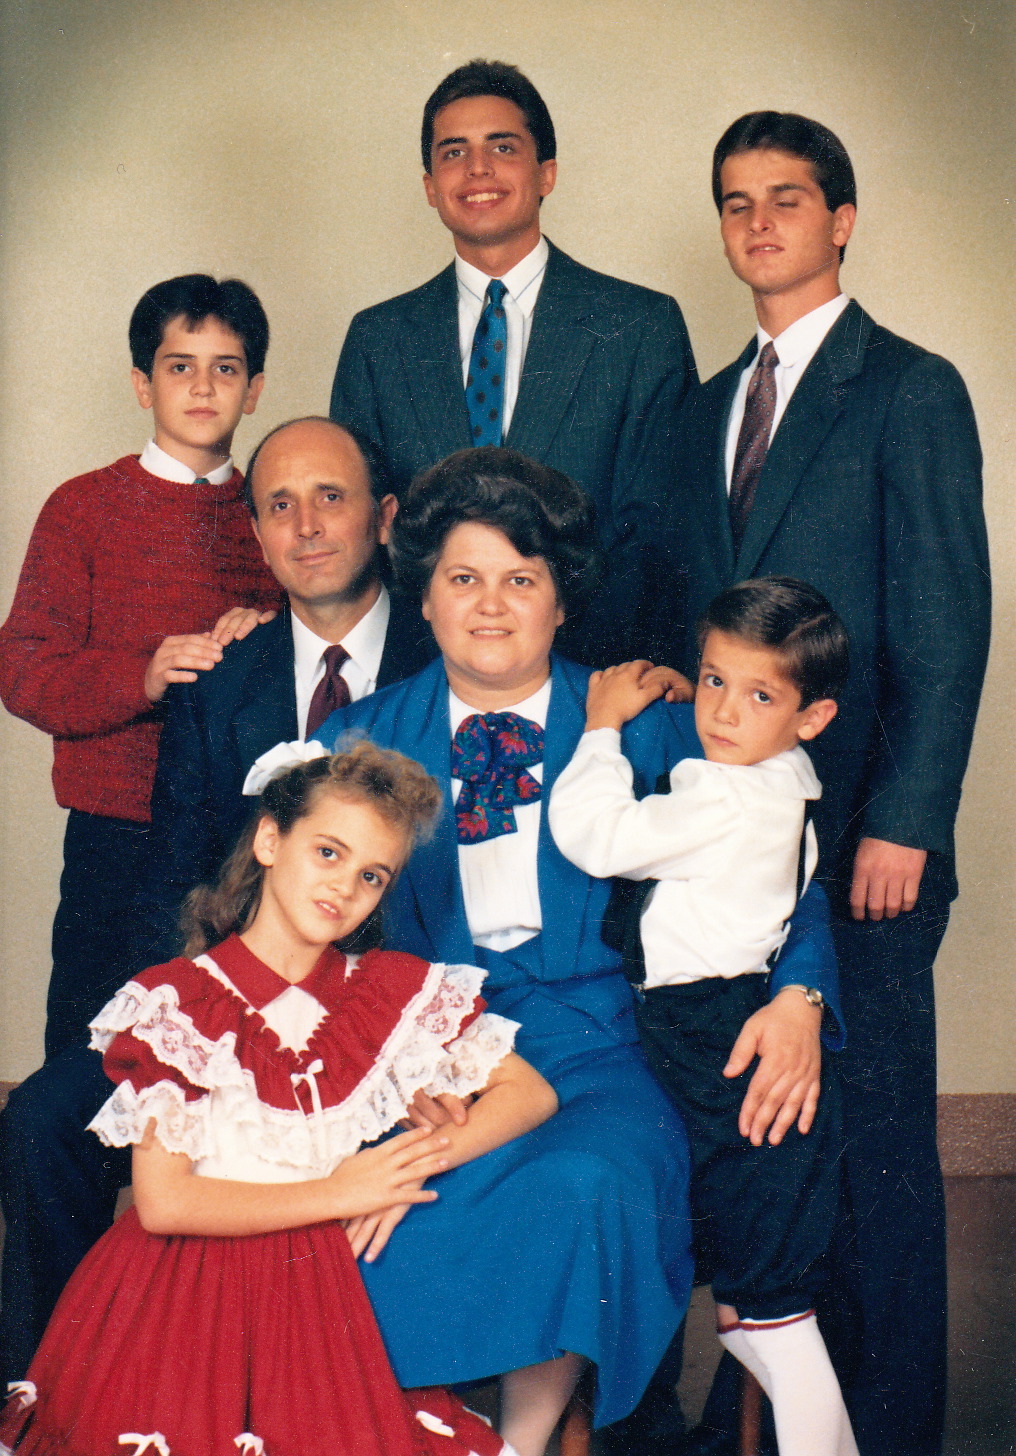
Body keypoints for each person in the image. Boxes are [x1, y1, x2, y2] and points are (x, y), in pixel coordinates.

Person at [269, 447, 841, 1455]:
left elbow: (781, 870)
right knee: (372, 1212)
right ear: (425, 600)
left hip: (608, 1047)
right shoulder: (358, 740)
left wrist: (799, 997)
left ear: (562, 602)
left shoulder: (651, 723)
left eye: (520, 580)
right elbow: (302, 938)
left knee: (588, 1184)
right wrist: (395, 1066)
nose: (490, 606)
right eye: (463, 578)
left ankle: (521, 1441)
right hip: (423, 1052)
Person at [669, 113, 991, 1456]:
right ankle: (766, 1420)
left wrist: (906, 819)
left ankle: (893, 1430)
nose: (758, 223)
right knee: (768, 1142)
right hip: (734, 857)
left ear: (840, 220)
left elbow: (946, 626)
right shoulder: (701, 407)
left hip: (865, 840)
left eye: (786, 198)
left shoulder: (909, 388)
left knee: (876, 1160)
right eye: (735, 201)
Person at [0, 414, 438, 1384]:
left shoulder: (443, 653)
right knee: (42, 1122)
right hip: (230, 1004)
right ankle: (40, 1393)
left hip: (373, 1023)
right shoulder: (222, 674)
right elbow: (174, 881)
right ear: (255, 533)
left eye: (330, 497)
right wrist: (196, 1031)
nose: (306, 525)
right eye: (279, 505)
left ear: (383, 517)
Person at [0, 742, 556, 1456]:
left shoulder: (385, 988)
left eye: (372, 875)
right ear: (269, 841)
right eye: (328, 853)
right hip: (184, 1291)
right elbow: (165, 1202)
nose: (345, 887)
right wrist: (341, 1191)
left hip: (316, 1290)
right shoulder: (179, 1001)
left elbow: (528, 1093)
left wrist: (406, 1167)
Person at [550, 577, 857, 1456]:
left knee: (764, 1319)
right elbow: (730, 738)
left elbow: (596, 837)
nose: (722, 711)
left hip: (705, 1033)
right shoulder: (785, 775)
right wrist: (712, 702)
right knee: (762, 1315)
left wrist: (601, 728)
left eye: (759, 696)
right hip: (733, 1018)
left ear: (813, 717)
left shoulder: (728, 798)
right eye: (715, 679)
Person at [329, 58, 695, 665]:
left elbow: (657, 537)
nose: (477, 168)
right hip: (421, 683)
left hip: (594, 680)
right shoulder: (378, 339)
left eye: (502, 147)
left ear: (546, 173)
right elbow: (358, 528)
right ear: (430, 186)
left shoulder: (638, 327)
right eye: (454, 152)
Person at [0, 272, 280, 1062]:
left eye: (225, 368)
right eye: (179, 366)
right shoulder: (81, 509)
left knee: (216, 1048)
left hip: (237, 831)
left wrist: (269, 634)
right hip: (114, 830)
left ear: (254, 391)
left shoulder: (274, 516)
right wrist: (143, 676)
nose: (203, 386)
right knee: (91, 1044)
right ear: (142, 384)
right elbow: (22, 668)